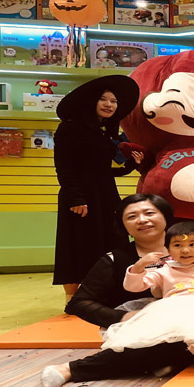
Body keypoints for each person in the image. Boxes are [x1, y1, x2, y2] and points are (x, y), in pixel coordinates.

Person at [100, 221, 194, 380]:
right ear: (168, 249)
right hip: (174, 311)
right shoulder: (164, 269)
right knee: (192, 331)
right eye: (177, 245)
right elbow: (133, 287)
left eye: (193, 244)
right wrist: (139, 266)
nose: (185, 250)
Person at [53, 75, 142, 299]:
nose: (109, 105)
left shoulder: (104, 133)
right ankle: (72, 299)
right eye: (103, 99)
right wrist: (76, 198)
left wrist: (131, 164)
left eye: (114, 101)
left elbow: (102, 171)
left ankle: (106, 293)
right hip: (80, 198)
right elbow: (64, 168)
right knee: (78, 244)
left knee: (112, 241)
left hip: (106, 196)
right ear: (91, 101)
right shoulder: (69, 128)